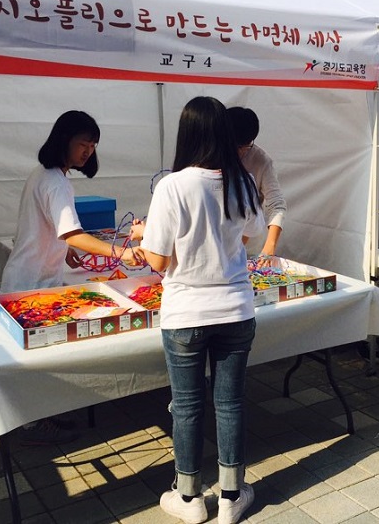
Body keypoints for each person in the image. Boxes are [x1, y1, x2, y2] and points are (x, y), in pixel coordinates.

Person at [131, 97, 264, 524]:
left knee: (187, 407)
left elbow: (156, 261)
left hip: (186, 312)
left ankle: (189, 498)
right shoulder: (243, 182)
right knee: (230, 403)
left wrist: (146, 234)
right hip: (235, 308)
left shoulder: (172, 186)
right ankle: (230, 496)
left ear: (186, 133)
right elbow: (251, 236)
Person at [0, 110, 143, 445]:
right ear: (64, 140)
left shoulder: (46, 175)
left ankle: (40, 414)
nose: (88, 151)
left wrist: (64, 251)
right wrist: (119, 253)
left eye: (93, 145)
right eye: (83, 144)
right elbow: (72, 232)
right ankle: (31, 424)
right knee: (32, 357)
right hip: (31, 283)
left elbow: (48, 226)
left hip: (33, 276)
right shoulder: (54, 181)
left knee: (38, 355)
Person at [227, 106, 286, 259]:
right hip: (217, 247)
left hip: (249, 250)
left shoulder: (261, 161)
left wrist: (270, 246)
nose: (240, 151)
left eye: (246, 146)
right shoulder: (211, 155)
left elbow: (277, 205)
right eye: (236, 146)